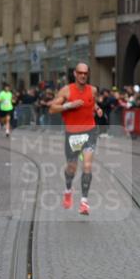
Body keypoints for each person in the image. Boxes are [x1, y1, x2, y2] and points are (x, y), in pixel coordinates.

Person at [47, 63, 103, 216]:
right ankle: (68, 189)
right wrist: (69, 105)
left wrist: (97, 108)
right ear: (75, 73)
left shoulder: (93, 90)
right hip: (73, 134)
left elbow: (92, 102)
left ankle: (84, 202)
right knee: (71, 168)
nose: (83, 75)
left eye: (85, 73)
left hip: (90, 132)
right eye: (80, 73)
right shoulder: (66, 90)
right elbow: (52, 109)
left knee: (87, 165)